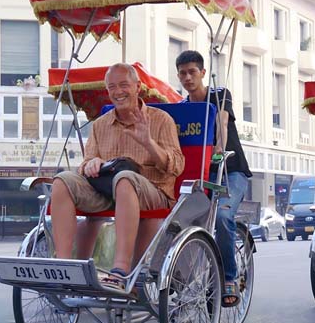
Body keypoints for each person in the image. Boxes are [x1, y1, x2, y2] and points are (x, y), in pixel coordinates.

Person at [51, 63, 185, 290]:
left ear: (137, 87)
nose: (118, 91)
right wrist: (91, 163)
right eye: (112, 87)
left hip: (154, 190)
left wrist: (148, 143)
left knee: (124, 179)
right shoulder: (100, 125)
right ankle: (64, 267)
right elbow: (86, 164)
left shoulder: (161, 120)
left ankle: (120, 269)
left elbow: (176, 166)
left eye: (124, 85)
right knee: (62, 181)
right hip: (107, 190)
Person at [176, 50, 252, 307]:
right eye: (183, 73)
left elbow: (221, 120)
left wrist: (219, 147)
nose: (187, 77)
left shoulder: (219, 95)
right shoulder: (182, 108)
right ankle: (180, 277)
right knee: (178, 219)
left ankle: (229, 277)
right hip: (200, 175)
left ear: (202, 73)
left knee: (221, 217)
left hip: (231, 171)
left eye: (192, 72)